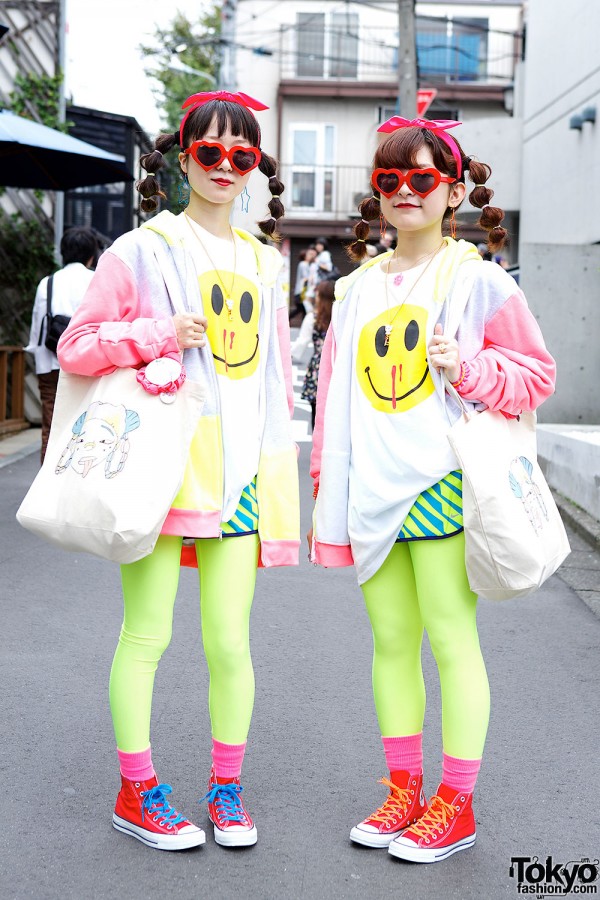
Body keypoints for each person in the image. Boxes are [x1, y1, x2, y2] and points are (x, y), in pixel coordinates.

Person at [57, 90, 300, 852]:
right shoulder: (143, 249)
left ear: (255, 167)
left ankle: (226, 789)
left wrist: (278, 482)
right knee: (147, 635)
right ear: (182, 157)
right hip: (159, 475)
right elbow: (79, 346)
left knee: (232, 643)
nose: (226, 167)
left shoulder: (266, 261)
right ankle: (138, 791)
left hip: (239, 481)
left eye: (242, 156)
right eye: (210, 153)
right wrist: (160, 333)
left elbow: (275, 385)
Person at [309, 117, 556, 863]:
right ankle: (403, 790)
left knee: (451, 640)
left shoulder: (476, 277)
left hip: (443, 483)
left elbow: (537, 376)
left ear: (452, 189)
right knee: (390, 644)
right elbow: (333, 400)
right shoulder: (354, 290)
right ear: (377, 195)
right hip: (370, 486)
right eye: (390, 180)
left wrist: (468, 370)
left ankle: (457, 801)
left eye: (421, 179)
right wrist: (328, 483)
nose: (405, 192)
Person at [25, 227, 99, 463]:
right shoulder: (97, 280)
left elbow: (37, 331)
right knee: (87, 426)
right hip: (88, 365)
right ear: (91, 255)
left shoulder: (47, 283)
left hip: (50, 364)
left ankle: (45, 490)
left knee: (51, 426)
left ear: (63, 253)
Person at [301, 279, 334, 430]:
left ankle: (318, 445)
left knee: (316, 411)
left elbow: (301, 342)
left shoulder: (313, 318)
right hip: (335, 366)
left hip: (317, 368)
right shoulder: (340, 317)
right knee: (333, 410)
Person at [289, 246, 316, 323]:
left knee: (302, 309)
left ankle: (301, 323)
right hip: (301, 292)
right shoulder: (304, 264)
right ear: (305, 256)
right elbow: (306, 277)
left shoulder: (305, 264)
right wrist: (311, 277)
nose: (310, 256)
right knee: (302, 309)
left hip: (301, 291)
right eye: (308, 254)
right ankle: (288, 319)